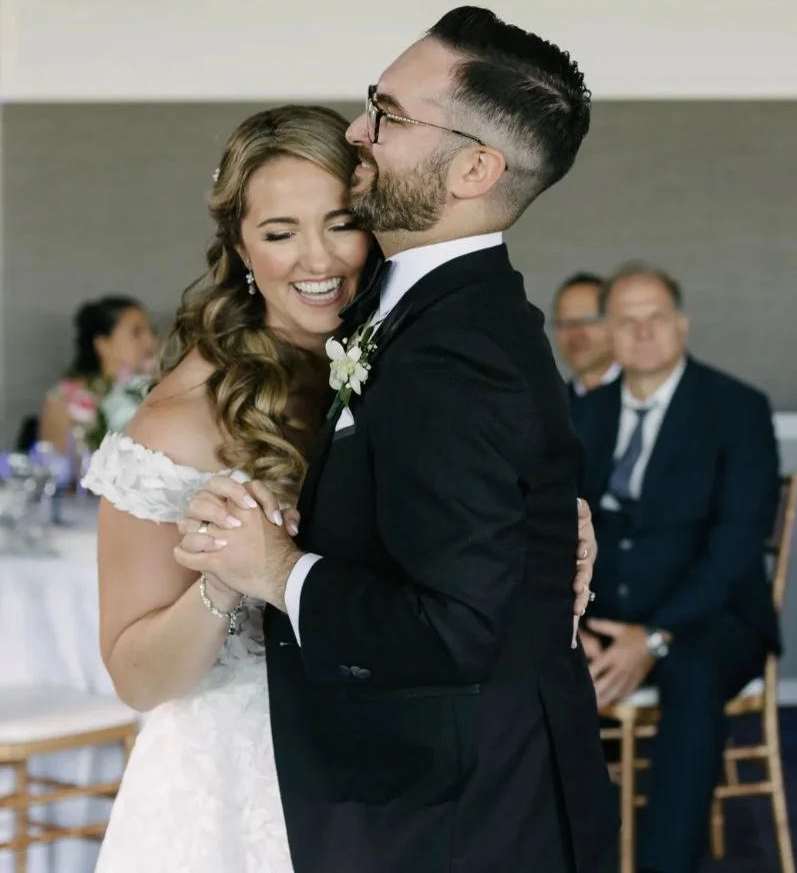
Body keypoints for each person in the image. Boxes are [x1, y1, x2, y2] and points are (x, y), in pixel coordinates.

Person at [84, 103, 598, 873]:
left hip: (404, 775)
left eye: (341, 221)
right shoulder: (176, 423)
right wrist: (226, 583)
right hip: (245, 780)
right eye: (279, 232)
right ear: (239, 249)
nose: (316, 261)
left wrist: (544, 519)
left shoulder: (409, 357)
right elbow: (134, 675)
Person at [572, 263, 779, 873]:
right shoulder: (584, 415)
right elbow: (554, 531)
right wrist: (571, 620)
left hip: (713, 620)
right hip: (604, 615)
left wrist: (655, 637)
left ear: (682, 325)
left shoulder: (736, 408)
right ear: (608, 331)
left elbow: (737, 546)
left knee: (690, 674)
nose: (641, 331)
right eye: (626, 319)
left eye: (655, 316)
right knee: (526, 658)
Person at [39, 295, 156, 454]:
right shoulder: (64, 400)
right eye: (136, 333)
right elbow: (56, 465)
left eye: (151, 332)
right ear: (103, 344)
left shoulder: (156, 391)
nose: (150, 342)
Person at [552, 271, 618, 398]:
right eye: (565, 323)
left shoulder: (643, 395)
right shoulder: (553, 408)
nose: (576, 333)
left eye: (587, 321)